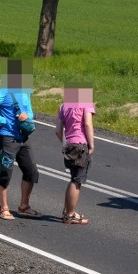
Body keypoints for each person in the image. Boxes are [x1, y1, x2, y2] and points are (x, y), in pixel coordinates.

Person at [0, 59, 40, 220]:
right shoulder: (3, 91)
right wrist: (2, 121)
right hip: (7, 137)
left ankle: (24, 205)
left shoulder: (25, 91)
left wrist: (27, 116)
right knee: (5, 172)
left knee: (31, 171)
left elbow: (31, 112)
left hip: (23, 136)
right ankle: (4, 208)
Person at [55, 86, 95, 225]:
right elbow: (88, 124)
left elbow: (58, 130)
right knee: (77, 181)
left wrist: (66, 143)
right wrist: (91, 145)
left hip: (69, 145)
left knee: (73, 178)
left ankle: (67, 211)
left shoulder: (63, 106)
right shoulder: (86, 104)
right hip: (80, 145)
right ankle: (70, 215)